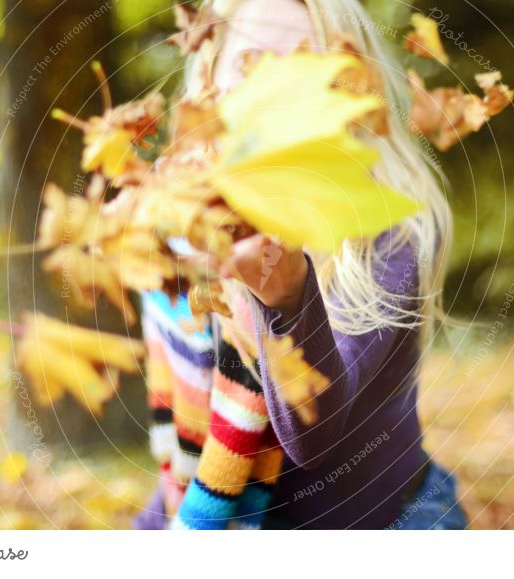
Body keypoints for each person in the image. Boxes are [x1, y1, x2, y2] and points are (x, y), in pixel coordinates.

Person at [133, 0, 467, 530]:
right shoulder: (182, 236)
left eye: (307, 62)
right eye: (254, 63)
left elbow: (313, 435)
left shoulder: (385, 238)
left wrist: (287, 298)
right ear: (208, 74)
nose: (281, 90)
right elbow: (187, 438)